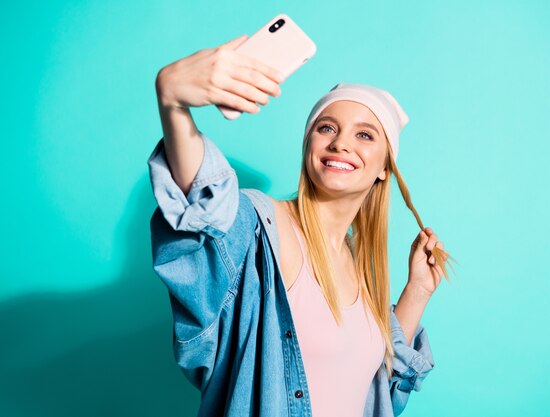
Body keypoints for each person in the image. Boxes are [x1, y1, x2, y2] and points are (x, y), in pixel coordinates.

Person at [147, 34, 451, 417]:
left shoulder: (360, 264)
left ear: (385, 167)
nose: (340, 143)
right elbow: (203, 213)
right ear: (309, 143)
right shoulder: (262, 227)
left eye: (364, 134)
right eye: (326, 128)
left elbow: (373, 391)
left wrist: (418, 291)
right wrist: (173, 102)